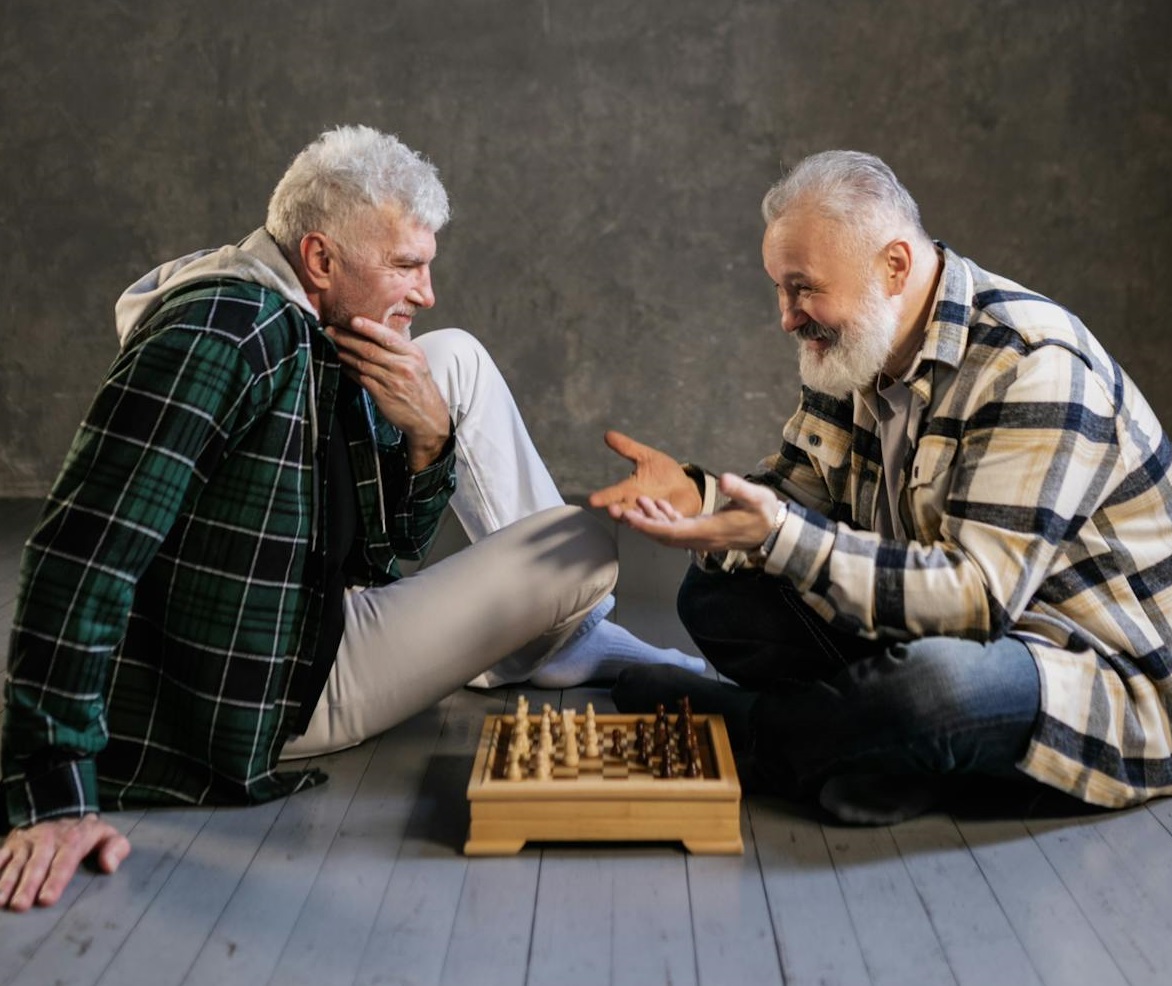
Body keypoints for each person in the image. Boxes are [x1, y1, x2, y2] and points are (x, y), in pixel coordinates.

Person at [0, 124, 703, 911]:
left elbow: (383, 552)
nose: (425, 292)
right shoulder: (226, 333)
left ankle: (557, 641)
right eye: (406, 266)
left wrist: (429, 438)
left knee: (457, 355)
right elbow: (80, 548)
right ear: (320, 258)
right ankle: (561, 639)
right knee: (585, 546)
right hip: (280, 694)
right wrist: (52, 789)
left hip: (309, 611)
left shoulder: (305, 326)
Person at [592, 150, 1172, 825]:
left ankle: (753, 733)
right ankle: (887, 755)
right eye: (780, 289)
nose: (787, 316)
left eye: (802, 287)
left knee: (932, 689)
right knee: (719, 595)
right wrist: (703, 501)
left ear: (893, 266)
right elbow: (790, 503)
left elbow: (977, 598)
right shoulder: (856, 348)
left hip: (1095, 677)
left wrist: (781, 538)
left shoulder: (1033, 364)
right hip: (953, 628)